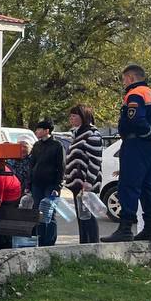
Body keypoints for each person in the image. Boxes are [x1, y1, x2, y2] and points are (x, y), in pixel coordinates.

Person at [105, 64, 151, 242]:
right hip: (150, 148)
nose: (123, 83)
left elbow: (135, 119)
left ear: (131, 78)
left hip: (136, 144)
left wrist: (148, 135)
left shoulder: (135, 94)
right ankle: (150, 228)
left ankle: (125, 229)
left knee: (128, 185)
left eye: (124, 79)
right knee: (149, 187)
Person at [63, 104, 103, 244]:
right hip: (76, 182)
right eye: (71, 116)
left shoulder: (92, 134)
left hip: (86, 182)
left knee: (88, 216)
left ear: (83, 117)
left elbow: (95, 160)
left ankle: (92, 244)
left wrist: (89, 181)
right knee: (81, 216)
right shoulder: (76, 133)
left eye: (74, 116)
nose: (71, 118)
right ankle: (83, 243)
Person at [29, 120, 65, 246]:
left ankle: (49, 242)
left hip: (51, 185)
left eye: (39, 129)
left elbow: (61, 167)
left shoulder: (57, 145)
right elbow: (32, 165)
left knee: (49, 213)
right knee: (37, 213)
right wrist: (29, 184)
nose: (36, 131)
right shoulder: (36, 145)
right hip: (36, 185)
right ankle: (40, 239)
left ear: (46, 131)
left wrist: (58, 186)